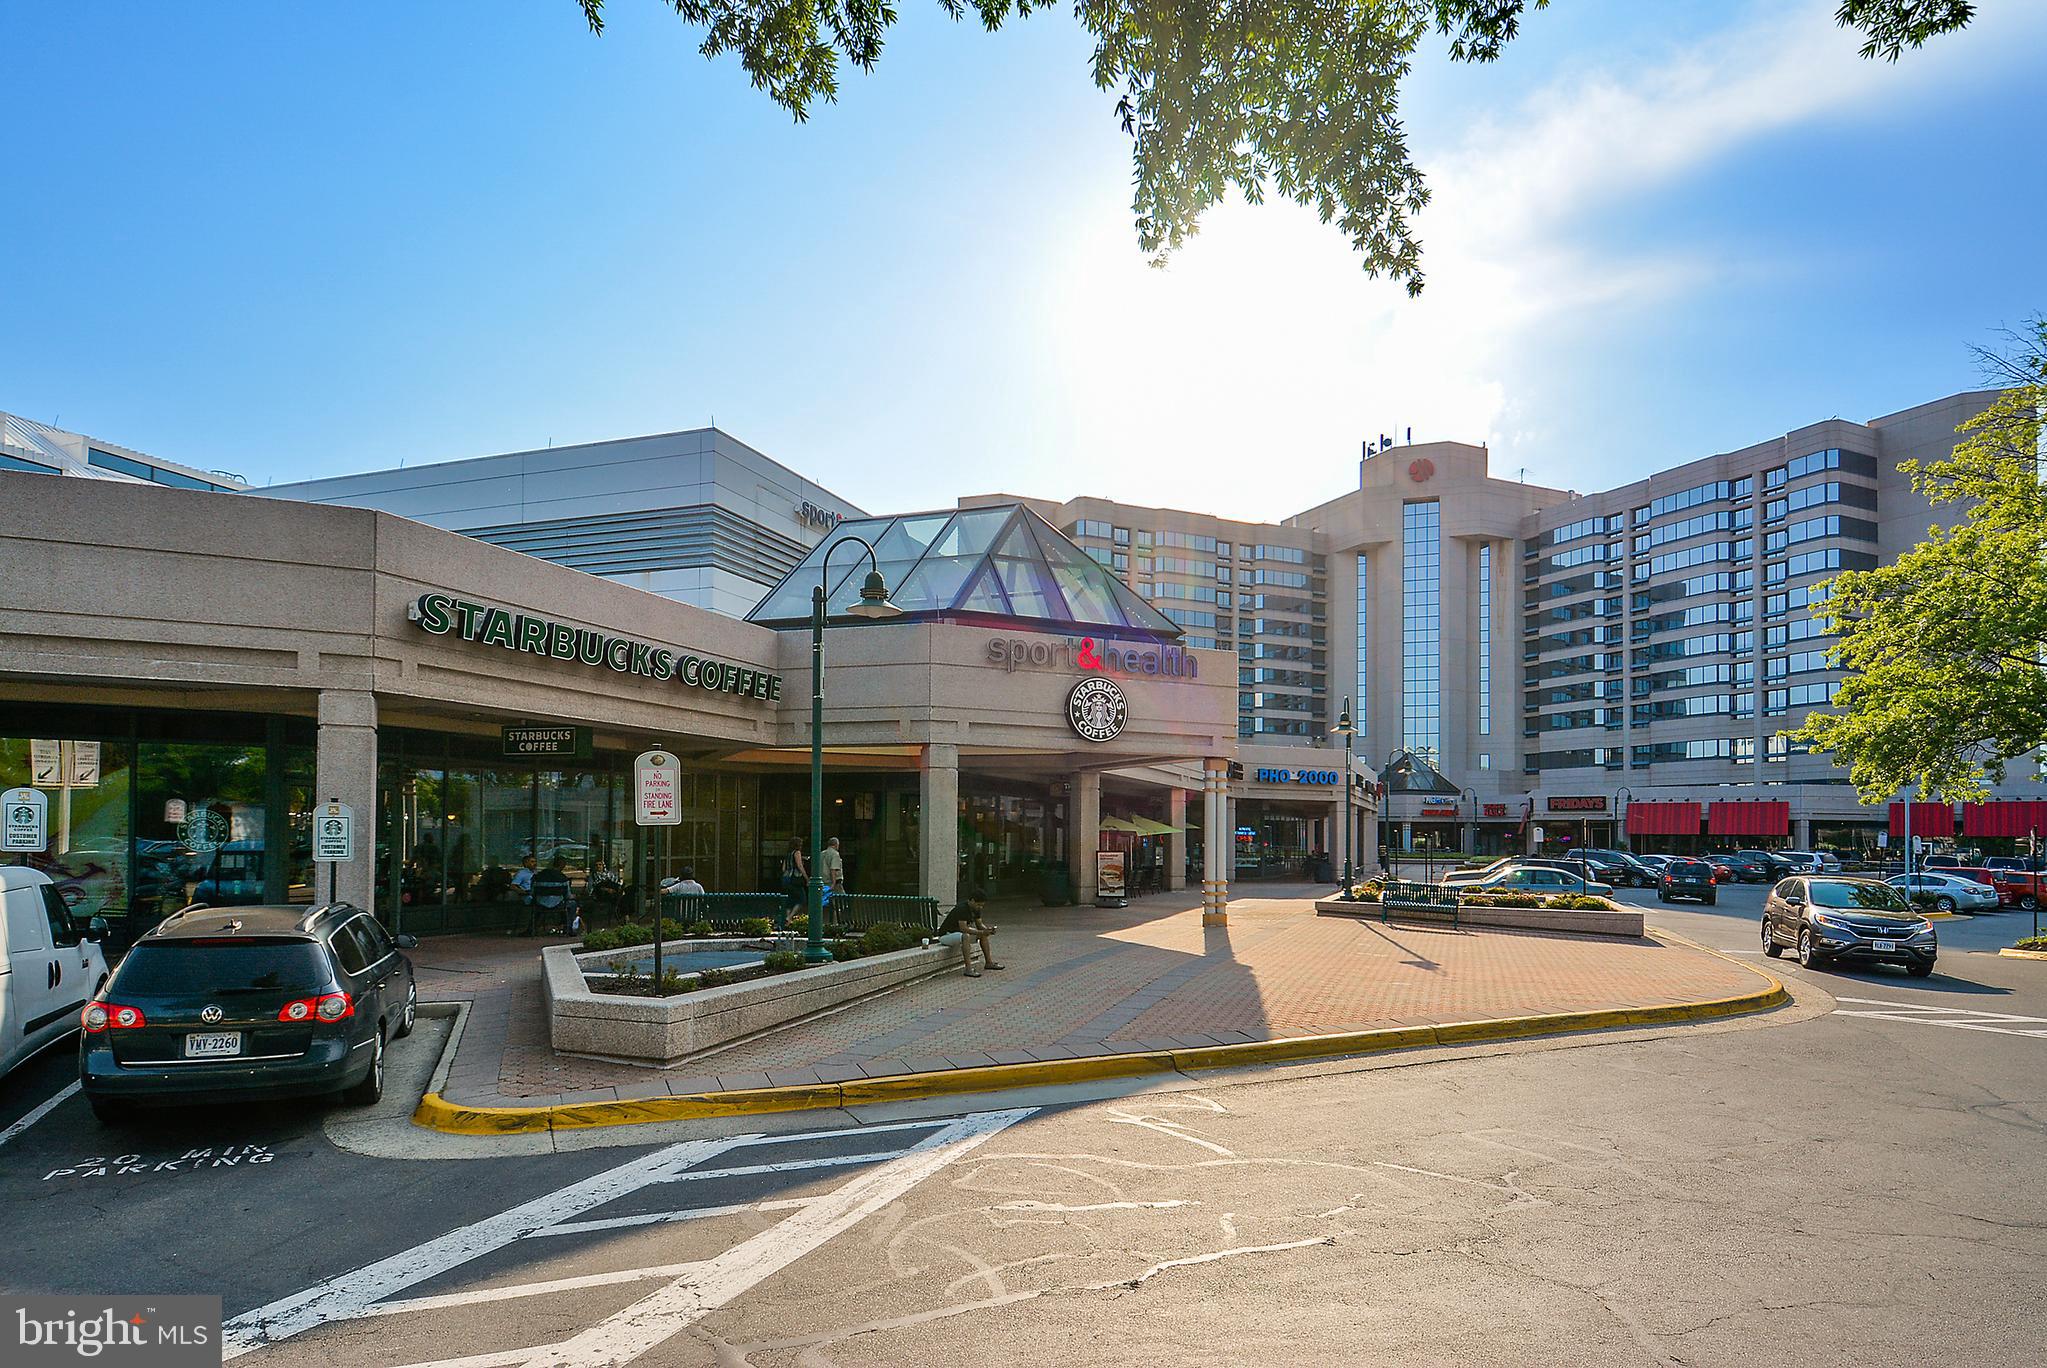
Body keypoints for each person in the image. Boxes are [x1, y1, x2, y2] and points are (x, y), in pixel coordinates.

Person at [943, 890, 1004, 977]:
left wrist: (987, 930)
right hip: (947, 935)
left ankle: (989, 962)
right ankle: (968, 969)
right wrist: (981, 931)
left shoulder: (976, 909)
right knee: (966, 936)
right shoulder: (962, 908)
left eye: (982, 905)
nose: (980, 907)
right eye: (979, 905)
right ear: (971, 901)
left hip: (958, 934)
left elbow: (979, 924)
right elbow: (963, 928)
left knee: (983, 935)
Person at [528, 855, 573, 935]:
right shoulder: (563, 877)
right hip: (558, 904)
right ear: (562, 865)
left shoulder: (539, 876)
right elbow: (567, 895)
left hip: (539, 904)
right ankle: (568, 928)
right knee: (571, 904)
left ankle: (532, 928)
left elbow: (532, 892)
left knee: (537, 908)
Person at [780, 838, 808, 922]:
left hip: (786, 879)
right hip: (795, 879)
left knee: (790, 900)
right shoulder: (797, 852)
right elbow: (800, 866)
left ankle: (787, 918)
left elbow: (783, 868)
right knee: (802, 899)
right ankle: (790, 916)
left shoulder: (788, 854)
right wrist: (806, 877)